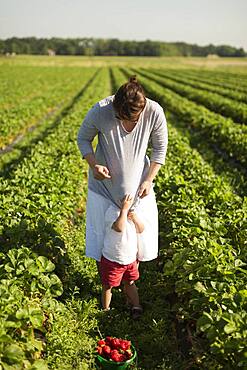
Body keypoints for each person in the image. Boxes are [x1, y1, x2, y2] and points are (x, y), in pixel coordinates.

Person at [77, 75, 168, 286]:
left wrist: (148, 180)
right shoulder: (101, 110)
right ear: (115, 107)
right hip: (103, 189)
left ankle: (129, 283)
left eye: (133, 118)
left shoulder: (154, 112)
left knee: (135, 238)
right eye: (121, 117)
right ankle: (107, 283)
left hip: (138, 190)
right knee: (104, 239)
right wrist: (94, 164)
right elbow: (83, 138)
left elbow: (159, 150)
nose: (127, 121)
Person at [101, 194, 144, 318]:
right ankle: (106, 309)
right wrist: (124, 210)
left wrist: (134, 217)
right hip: (113, 259)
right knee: (107, 285)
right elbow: (119, 228)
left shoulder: (132, 212)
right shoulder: (112, 211)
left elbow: (141, 229)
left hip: (130, 259)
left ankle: (136, 305)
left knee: (130, 282)